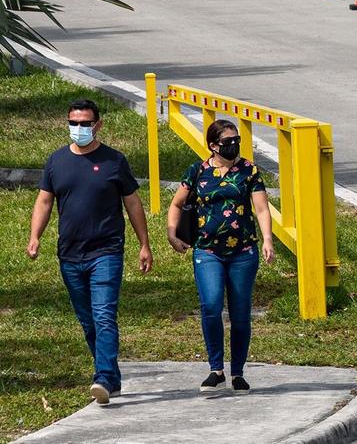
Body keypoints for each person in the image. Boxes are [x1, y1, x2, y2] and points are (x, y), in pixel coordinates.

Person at [26, 99, 153, 406]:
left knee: (104, 315)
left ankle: (104, 377)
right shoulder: (56, 161)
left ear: (98, 125)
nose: (79, 129)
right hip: (70, 254)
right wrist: (35, 237)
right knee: (88, 321)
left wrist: (144, 244)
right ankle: (112, 376)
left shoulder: (114, 161)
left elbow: (132, 203)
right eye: (74, 123)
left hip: (106, 251)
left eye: (85, 123)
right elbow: (44, 202)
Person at [167, 119, 274, 395]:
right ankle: (216, 369)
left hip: (243, 251)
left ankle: (238, 372)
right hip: (207, 250)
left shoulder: (248, 170)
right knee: (211, 306)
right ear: (213, 146)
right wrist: (172, 233)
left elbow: (261, 209)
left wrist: (267, 240)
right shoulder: (198, 171)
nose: (234, 145)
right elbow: (177, 203)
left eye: (237, 139)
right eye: (228, 141)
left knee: (240, 314)